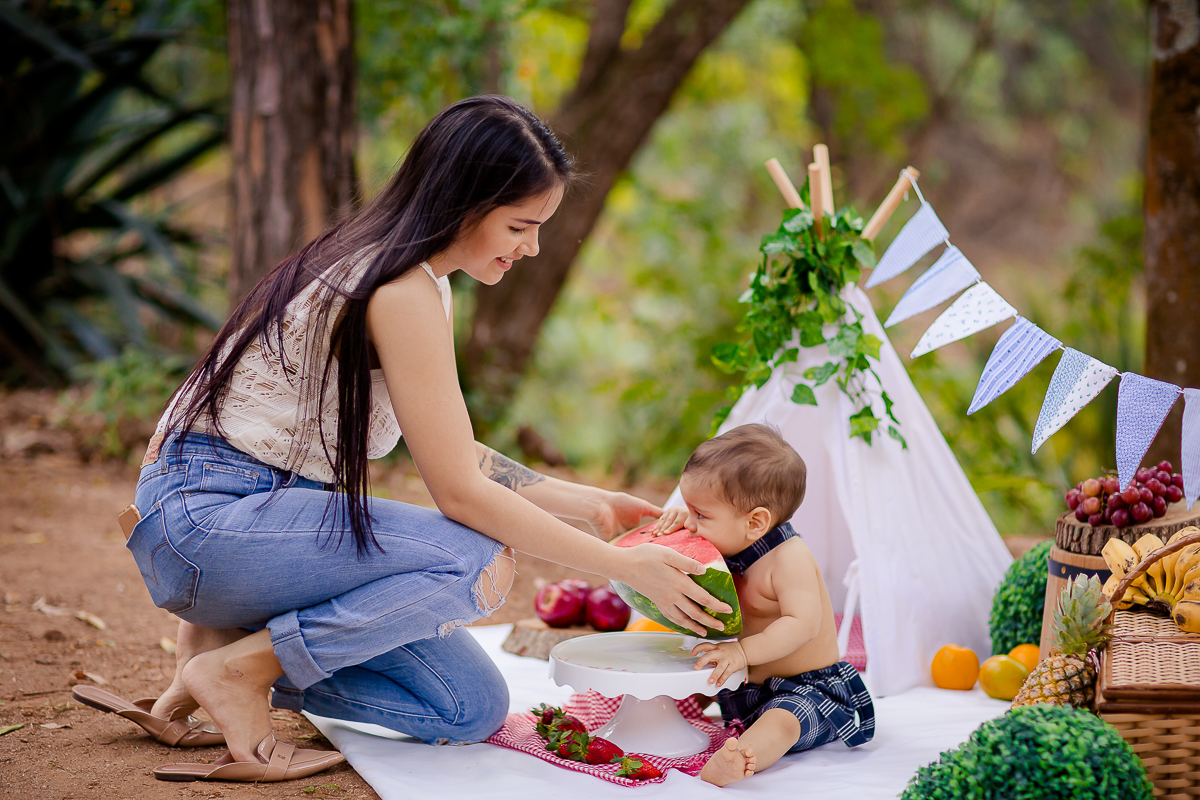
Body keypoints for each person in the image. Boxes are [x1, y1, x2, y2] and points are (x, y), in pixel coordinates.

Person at [81, 95, 731, 784]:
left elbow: (456, 451)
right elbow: (460, 494)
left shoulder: (420, 283)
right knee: (476, 560)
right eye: (520, 226)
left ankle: (220, 654)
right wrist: (621, 565)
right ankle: (241, 670)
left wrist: (593, 505)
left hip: (248, 536)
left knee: (468, 708)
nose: (532, 247)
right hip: (207, 520)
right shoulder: (396, 287)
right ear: (464, 203)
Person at [649, 423, 875, 786]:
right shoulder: (728, 545)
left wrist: (742, 652)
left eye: (700, 515)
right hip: (744, 685)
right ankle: (654, 720)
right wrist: (675, 529)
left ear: (755, 522)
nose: (691, 524)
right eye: (686, 509)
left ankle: (740, 757)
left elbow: (802, 624)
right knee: (691, 681)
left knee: (783, 720)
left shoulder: (789, 558)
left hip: (806, 688)